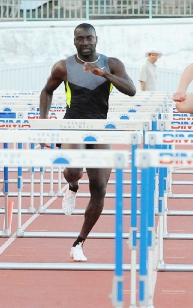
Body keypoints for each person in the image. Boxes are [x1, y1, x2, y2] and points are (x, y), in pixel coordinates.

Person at [39, 23, 136, 262]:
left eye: (89, 38)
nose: (85, 43)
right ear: (74, 41)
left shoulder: (111, 64)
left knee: (100, 187)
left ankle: (79, 242)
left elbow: (132, 90)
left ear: (96, 39)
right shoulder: (63, 67)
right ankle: (72, 186)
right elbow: (46, 91)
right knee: (72, 170)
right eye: (80, 39)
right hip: (73, 126)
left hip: (101, 129)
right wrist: (43, 124)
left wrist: (105, 75)